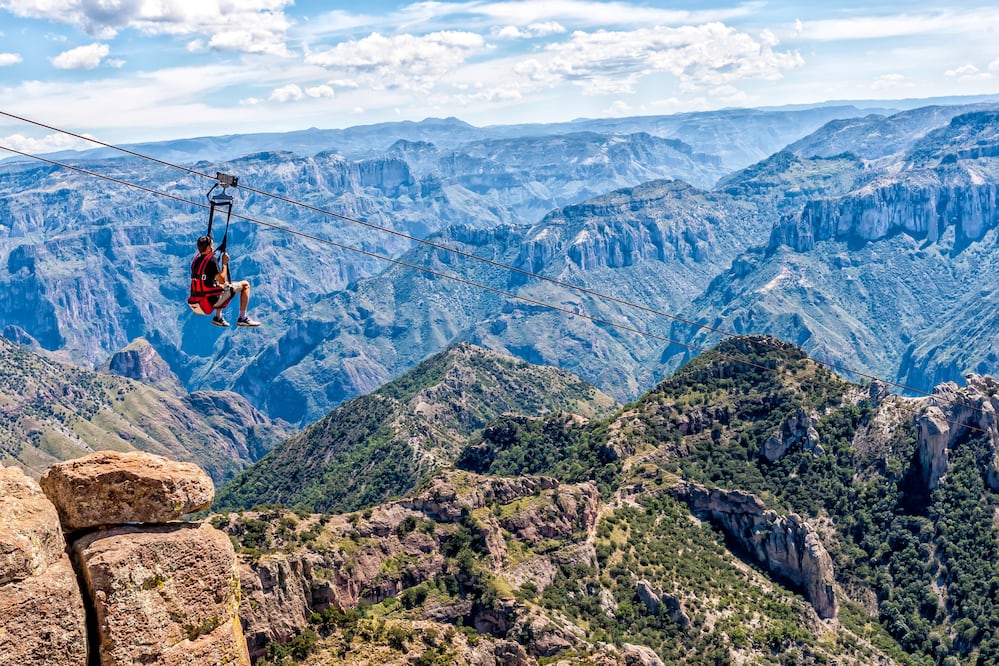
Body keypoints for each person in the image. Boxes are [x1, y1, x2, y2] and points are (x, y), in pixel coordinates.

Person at [193, 235, 261, 327]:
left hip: (199, 299)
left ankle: (218, 317)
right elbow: (222, 280)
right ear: (208, 247)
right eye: (212, 245)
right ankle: (243, 318)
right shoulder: (211, 261)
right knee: (245, 285)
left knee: (217, 285)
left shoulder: (196, 261)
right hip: (212, 300)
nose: (213, 247)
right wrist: (224, 263)